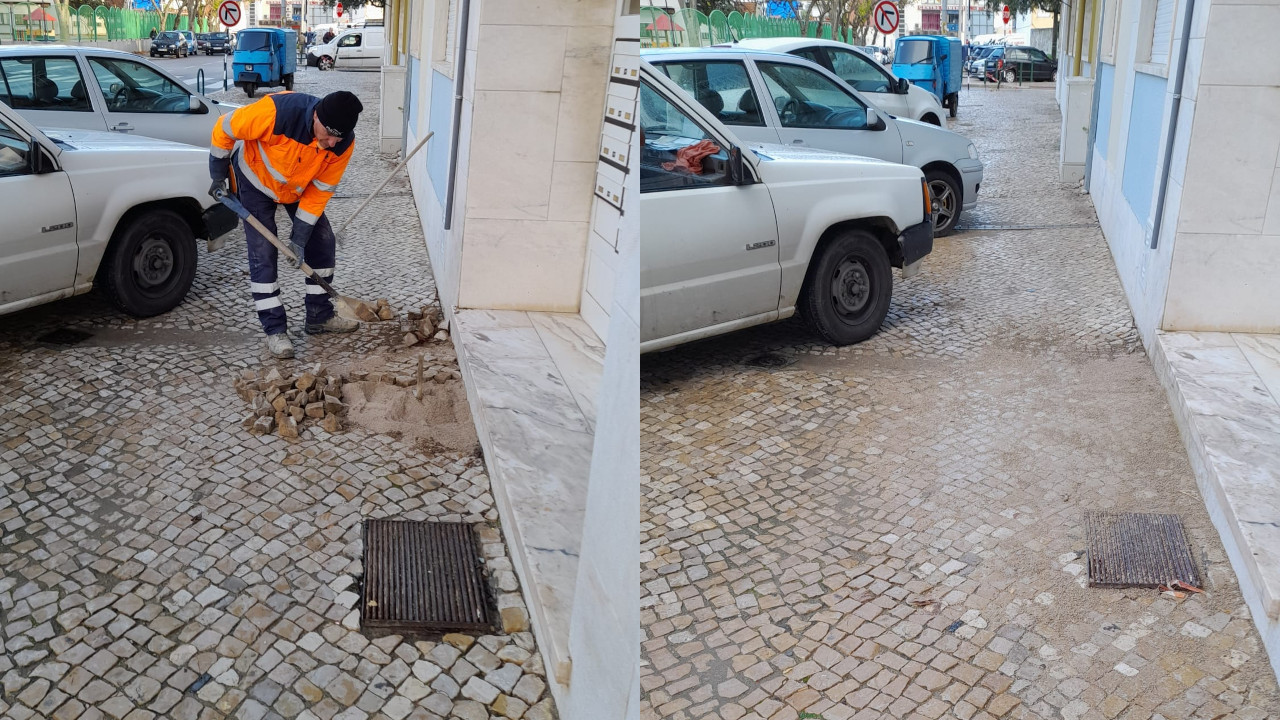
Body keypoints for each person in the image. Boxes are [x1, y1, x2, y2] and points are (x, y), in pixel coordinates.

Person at [207, 91, 365, 359]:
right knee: (263, 253)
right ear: (316, 115)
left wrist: (300, 238)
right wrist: (218, 173)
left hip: (298, 189)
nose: (329, 143)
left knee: (323, 242)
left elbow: (320, 191)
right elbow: (225, 128)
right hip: (255, 181)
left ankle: (319, 315)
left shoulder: (342, 144)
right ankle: (275, 330)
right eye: (327, 134)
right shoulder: (276, 112)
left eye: (336, 138)